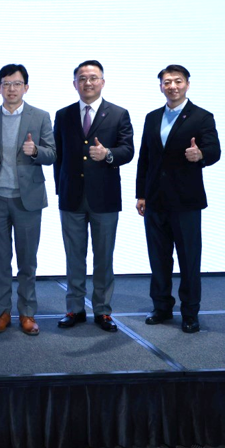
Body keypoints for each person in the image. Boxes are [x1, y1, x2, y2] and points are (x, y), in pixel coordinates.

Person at [136, 64, 221, 334]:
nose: (172, 86)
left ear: (187, 84)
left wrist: (201, 156)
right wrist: (141, 194)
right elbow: (145, 159)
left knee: (188, 259)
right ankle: (161, 307)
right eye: (167, 82)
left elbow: (214, 150)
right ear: (160, 86)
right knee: (158, 259)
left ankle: (190, 313)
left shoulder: (202, 117)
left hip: (186, 201)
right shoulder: (151, 117)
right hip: (155, 201)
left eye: (178, 81)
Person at [53, 61, 134, 333]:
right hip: (71, 197)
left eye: (93, 78)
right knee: (74, 258)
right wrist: (59, 189)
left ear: (103, 82)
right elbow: (59, 158)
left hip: (105, 198)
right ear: (74, 83)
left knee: (104, 258)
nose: (88, 83)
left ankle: (102, 311)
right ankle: (74, 309)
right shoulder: (63, 115)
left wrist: (108, 154)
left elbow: (128, 150)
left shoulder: (119, 114)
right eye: (82, 78)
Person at [0, 64, 55, 336]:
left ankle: (27, 313)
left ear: (26, 88)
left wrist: (36, 152)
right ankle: (2, 312)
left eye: (17, 84)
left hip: (27, 200)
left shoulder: (41, 116)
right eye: (6, 84)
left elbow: (52, 154)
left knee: (27, 260)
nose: (11, 89)